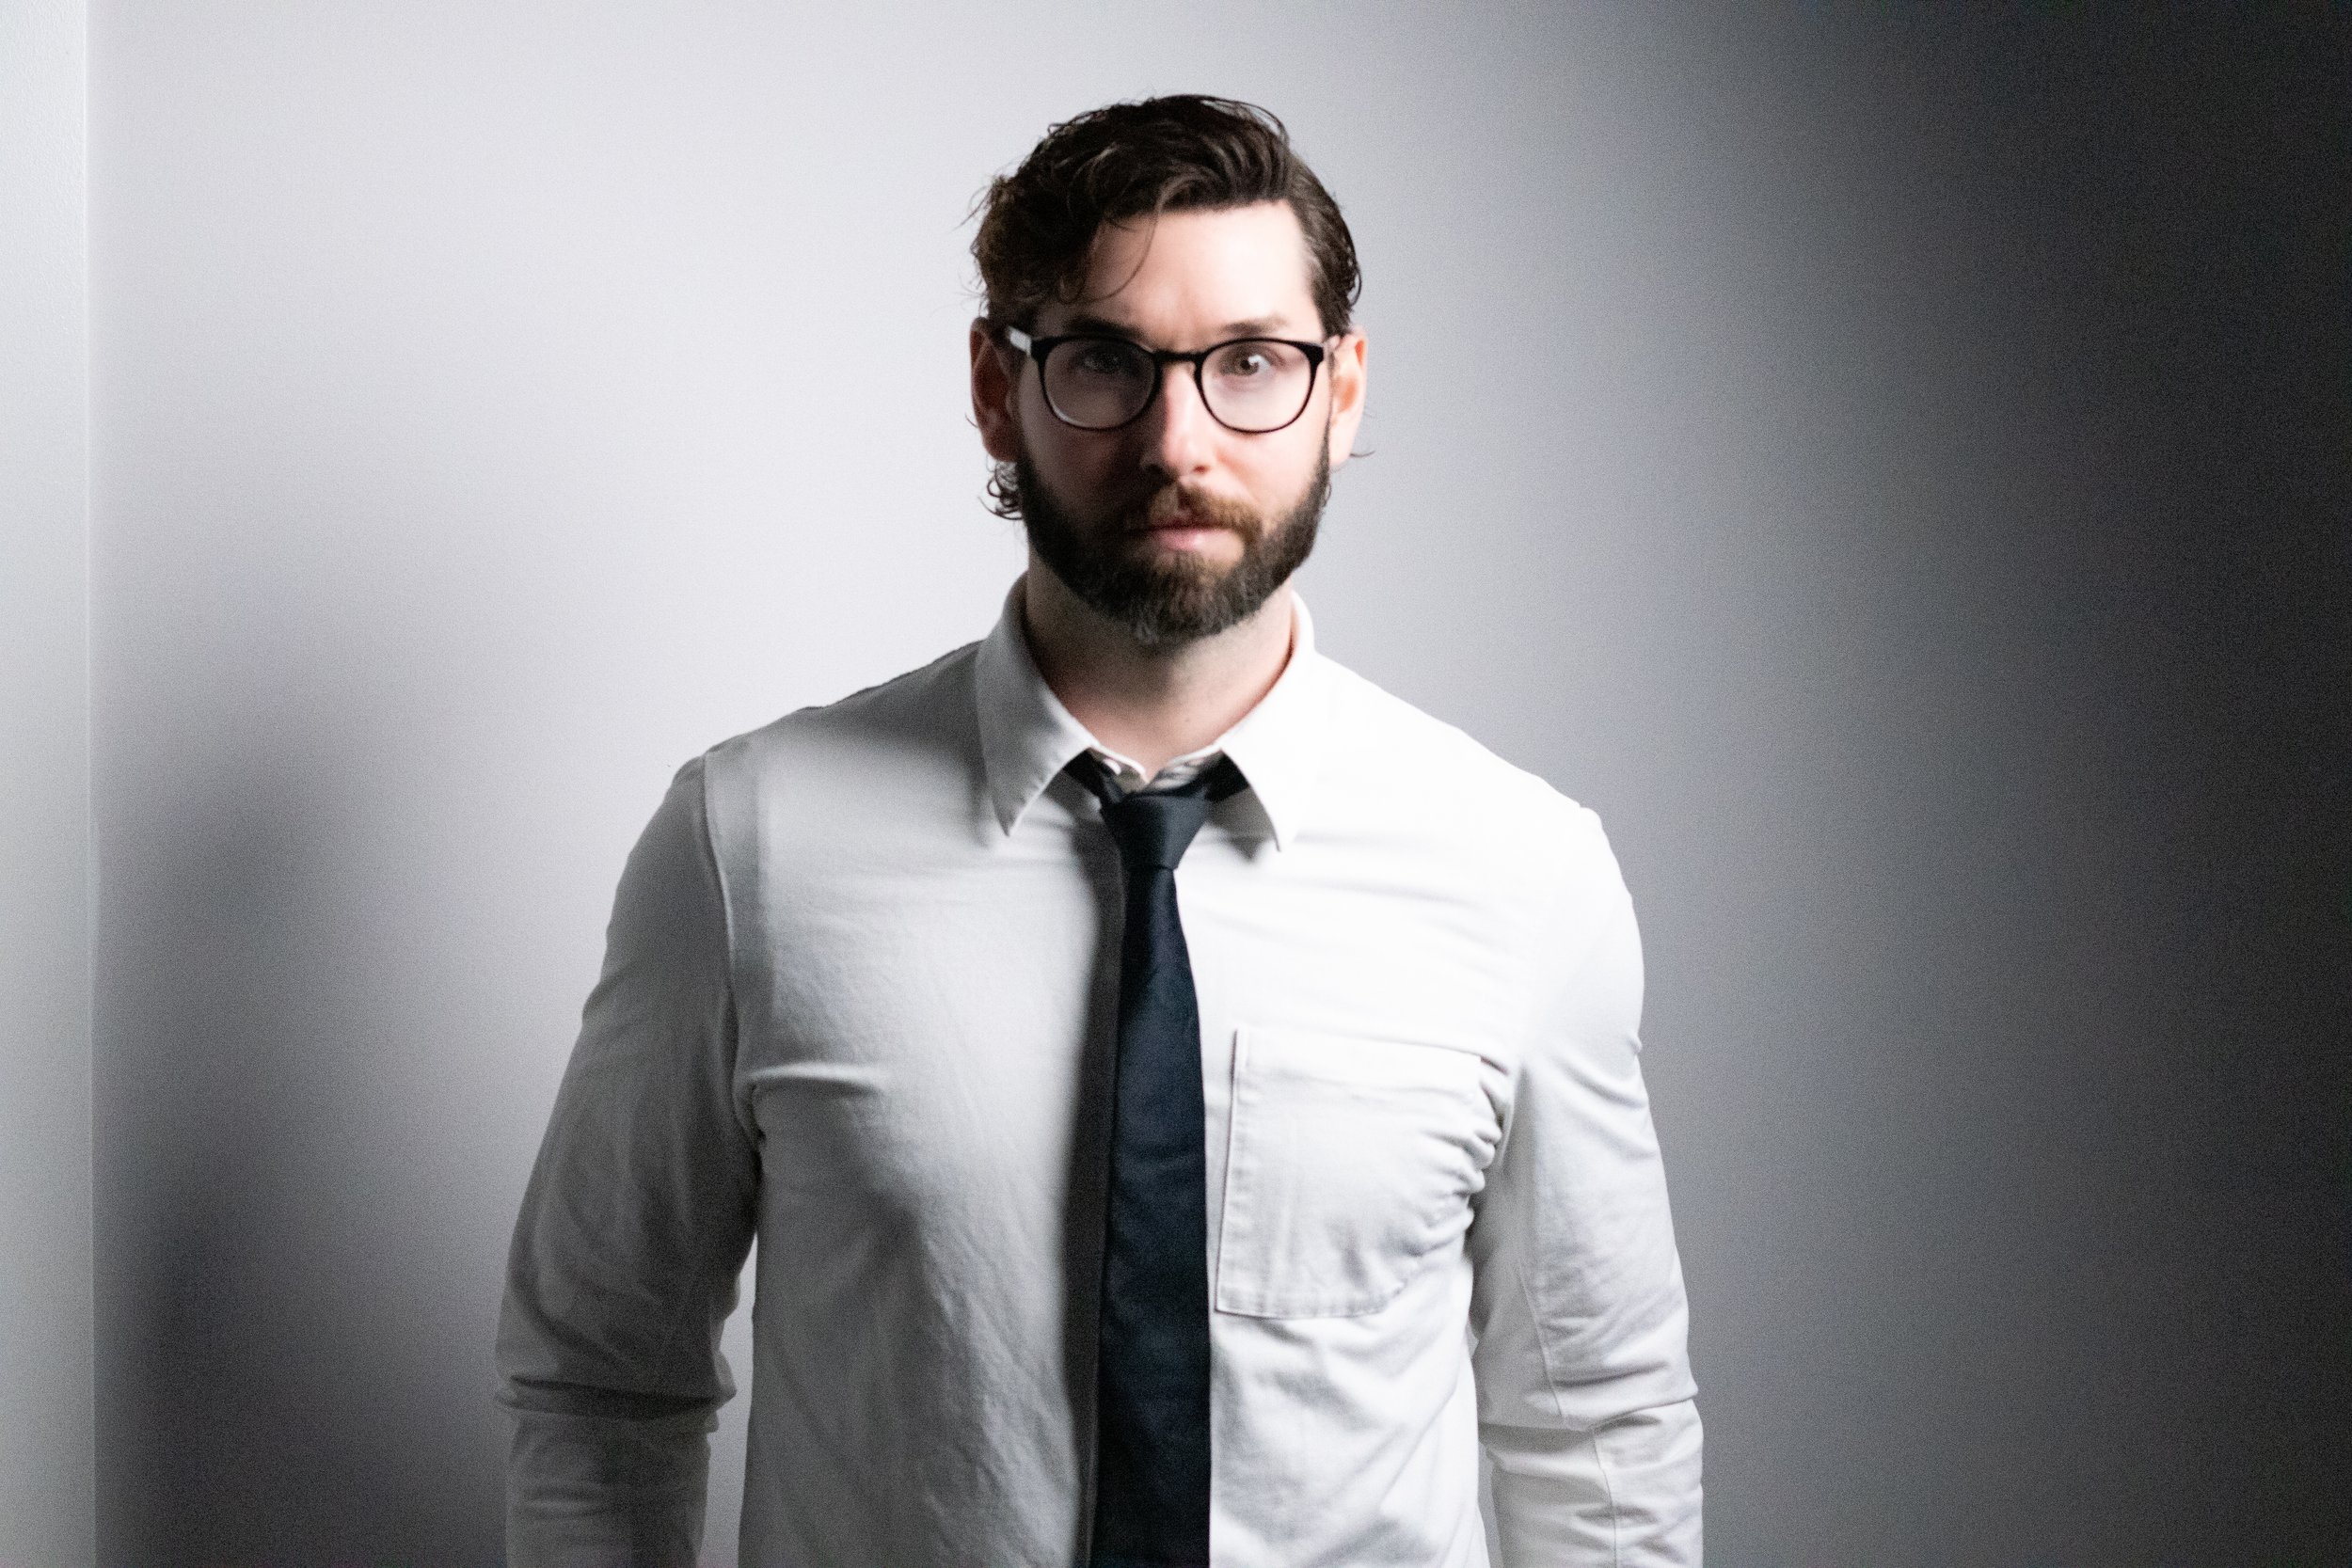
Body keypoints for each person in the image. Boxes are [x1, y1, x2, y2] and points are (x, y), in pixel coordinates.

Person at [497, 93, 1701, 1567]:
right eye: (1108, 364)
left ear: (1344, 390)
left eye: (1252, 362)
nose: (1178, 438)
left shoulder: (1521, 875)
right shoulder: (749, 847)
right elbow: (601, 1382)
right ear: (1001, 392)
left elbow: (1594, 1424)